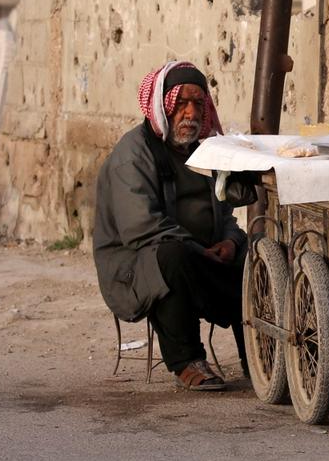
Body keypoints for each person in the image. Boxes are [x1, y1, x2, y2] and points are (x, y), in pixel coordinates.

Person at [92, 60, 249, 391]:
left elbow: (226, 217)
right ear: (163, 105)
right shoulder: (132, 155)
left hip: (200, 257)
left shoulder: (201, 152)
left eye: (197, 103)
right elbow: (140, 228)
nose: (190, 113)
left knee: (255, 250)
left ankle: (263, 352)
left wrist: (231, 243)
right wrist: (200, 252)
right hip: (134, 266)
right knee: (172, 257)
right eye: (181, 103)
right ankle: (186, 361)